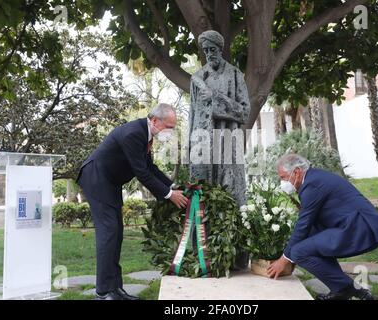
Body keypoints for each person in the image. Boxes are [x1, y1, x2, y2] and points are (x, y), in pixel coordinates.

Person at [76, 103, 188, 300]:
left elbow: (150, 167)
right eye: (169, 127)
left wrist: (173, 187)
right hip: (97, 179)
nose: (171, 132)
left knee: (116, 234)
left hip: (109, 183)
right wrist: (169, 196)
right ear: (155, 121)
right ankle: (103, 293)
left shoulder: (145, 135)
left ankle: (115, 289)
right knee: (108, 233)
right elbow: (142, 174)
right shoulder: (133, 134)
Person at [267, 154, 378, 300]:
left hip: (360, 228)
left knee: (298, 252)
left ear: (297, 172)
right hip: (351, 225)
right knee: (310, 238)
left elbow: (302, 225)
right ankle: (341, 289)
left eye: (283, 177)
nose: (282, 182)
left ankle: (348, 289)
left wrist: (284, 259)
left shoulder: (312, 184)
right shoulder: (313, 178)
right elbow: (310, 222)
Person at [189, 30, 250, 269]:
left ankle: (234, 257)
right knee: (202, 195)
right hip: (203, 147)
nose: (209, 54)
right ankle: (202, 257)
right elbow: (193, 114)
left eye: (212, 49)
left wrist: (214, 97)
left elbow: (244, 112)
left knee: (231, 194)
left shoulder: (235, 76)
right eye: (205, 51)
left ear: (220, 48)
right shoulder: (197, 77)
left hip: (227, 146)